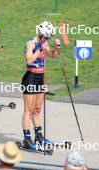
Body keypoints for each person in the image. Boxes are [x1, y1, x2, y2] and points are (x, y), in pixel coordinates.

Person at [21, 21, 60, 149]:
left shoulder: (45, 44)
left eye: (49, 38)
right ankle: (27, 138)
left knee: (37, 109)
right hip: (30, 77)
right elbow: (29, 60)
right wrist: (40, 50)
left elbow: (53, 56)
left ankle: (38, 136)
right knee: (29, 110)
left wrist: (56, 48)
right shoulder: (30, 43)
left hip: (40, 78)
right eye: (46, 37)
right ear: (40, 34)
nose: (47, 39)